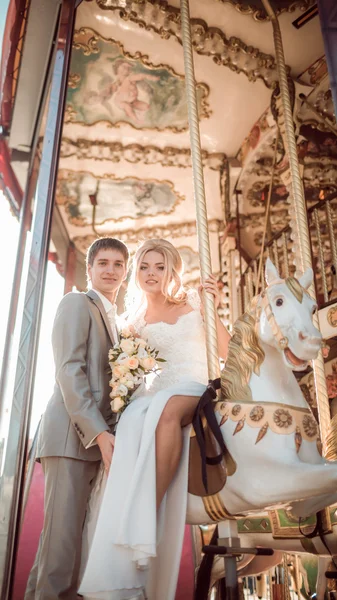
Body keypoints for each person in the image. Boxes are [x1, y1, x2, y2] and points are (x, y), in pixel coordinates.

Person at [79, 239, 230, 600]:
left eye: (159, 267)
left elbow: (225, 351)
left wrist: (214, 306)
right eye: (145, 266)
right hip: (158, 393)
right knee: (135, 417)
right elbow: (125, 373)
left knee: (162, 409)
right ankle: (127, 526)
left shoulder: (194, 302)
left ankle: (151, 506)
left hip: (195, 386)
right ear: (136, 273)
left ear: (171, 271)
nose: (151, 273)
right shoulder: (132, 322)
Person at [25, 237, 129, 600]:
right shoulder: (75, 303)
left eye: (118, 264)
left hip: (96, 442)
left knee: (64, 552)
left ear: (125, 271)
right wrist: (100, 433)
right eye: (103, 263)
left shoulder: (116, 320)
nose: (110, 270)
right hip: (72, 438)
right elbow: (69, 371)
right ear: (89, 269)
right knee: (60, 552)